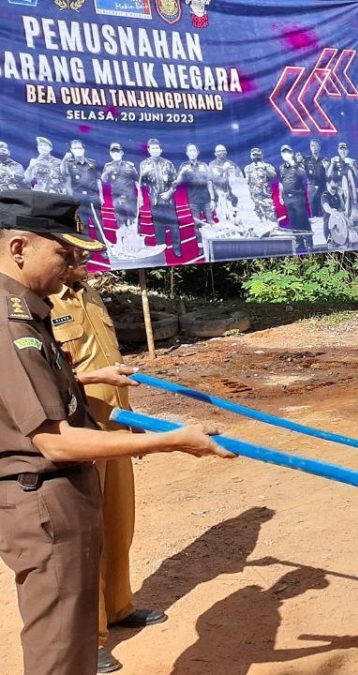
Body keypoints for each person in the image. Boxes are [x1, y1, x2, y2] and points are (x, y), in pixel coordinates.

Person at [0, 190, 232, 675]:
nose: (74, 263)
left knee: (74, 631)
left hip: (69, 476)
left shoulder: (26, 307)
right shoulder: (9, 319)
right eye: (64, 252)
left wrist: (88, 377)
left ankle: (115, 612)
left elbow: (35, 384)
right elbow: (53, 438)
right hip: (45, 487)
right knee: (60, 646)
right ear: (19, 248)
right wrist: (172, 439)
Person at [49, 253, 165, 673]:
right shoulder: (39, 303)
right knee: (87, 535)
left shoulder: (90, 294)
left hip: (115, 427)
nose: (85, 261)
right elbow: (42, 376)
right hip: (78, 434)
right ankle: (89, 634)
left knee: (119, 523)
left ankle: (117, 607)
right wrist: (98, 380)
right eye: (74, 254)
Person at [139, 139, 181, 256]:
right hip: (155, 201)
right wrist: (143, 174)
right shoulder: (144, 164)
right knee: (158, 227)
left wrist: (169, 192)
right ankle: (161, 250)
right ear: (148, 150)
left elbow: (175, 181)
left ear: (161, 149)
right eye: (152, 148)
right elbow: (140, 183)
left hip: (169, 200)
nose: (155, 150)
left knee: (174, 226)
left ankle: (177, 249)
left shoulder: (168, 163)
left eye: (157, 148)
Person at [64, 140, 103, 240]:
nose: (78, 150)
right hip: (79, 197)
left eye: (79, 148)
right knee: (83, 224)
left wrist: (101, 197)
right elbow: (67, 182)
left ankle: (102, 248)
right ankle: (86, 250)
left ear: (84, 149)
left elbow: (98, 181)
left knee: (98, 222)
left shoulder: (92, 163)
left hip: (93, 196)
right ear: (71, 150)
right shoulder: (68, 164)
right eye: (75, 148)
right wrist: (71, 198)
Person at [277, 145, 311, 251]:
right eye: (283, 152)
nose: (285, 154)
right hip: (287, 199)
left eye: (287, 152)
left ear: (291, 153)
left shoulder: (299, 166)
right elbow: (280, 182)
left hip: (298, 197)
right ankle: (299, 241)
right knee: (294, 221)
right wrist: (280, 196)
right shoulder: (281, 167)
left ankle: (308, 241)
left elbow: (304, 177)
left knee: (303, 220)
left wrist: (294, 165)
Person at [243, 148, 279, 228]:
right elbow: (246, 182)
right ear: (251, 156)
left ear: (262, 155)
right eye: (254, 155)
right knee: (259, 220)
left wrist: (264, 168)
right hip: (254, 198)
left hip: (266, 197)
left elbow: (274, 177)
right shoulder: (248, 168)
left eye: (258, 155)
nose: (256, 157)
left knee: (271, 218)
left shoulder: (268, 166)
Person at [303, 139, 328, 219]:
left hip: (323, 188)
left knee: (325, 211)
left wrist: (327, 167)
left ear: (319, 147)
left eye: (316, 145)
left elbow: (329, 175)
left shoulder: (324, 159)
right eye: (312, 146)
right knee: (314, 213)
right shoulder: (306, 160)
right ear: (310, 147)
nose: (314, 148)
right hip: (312, 189)